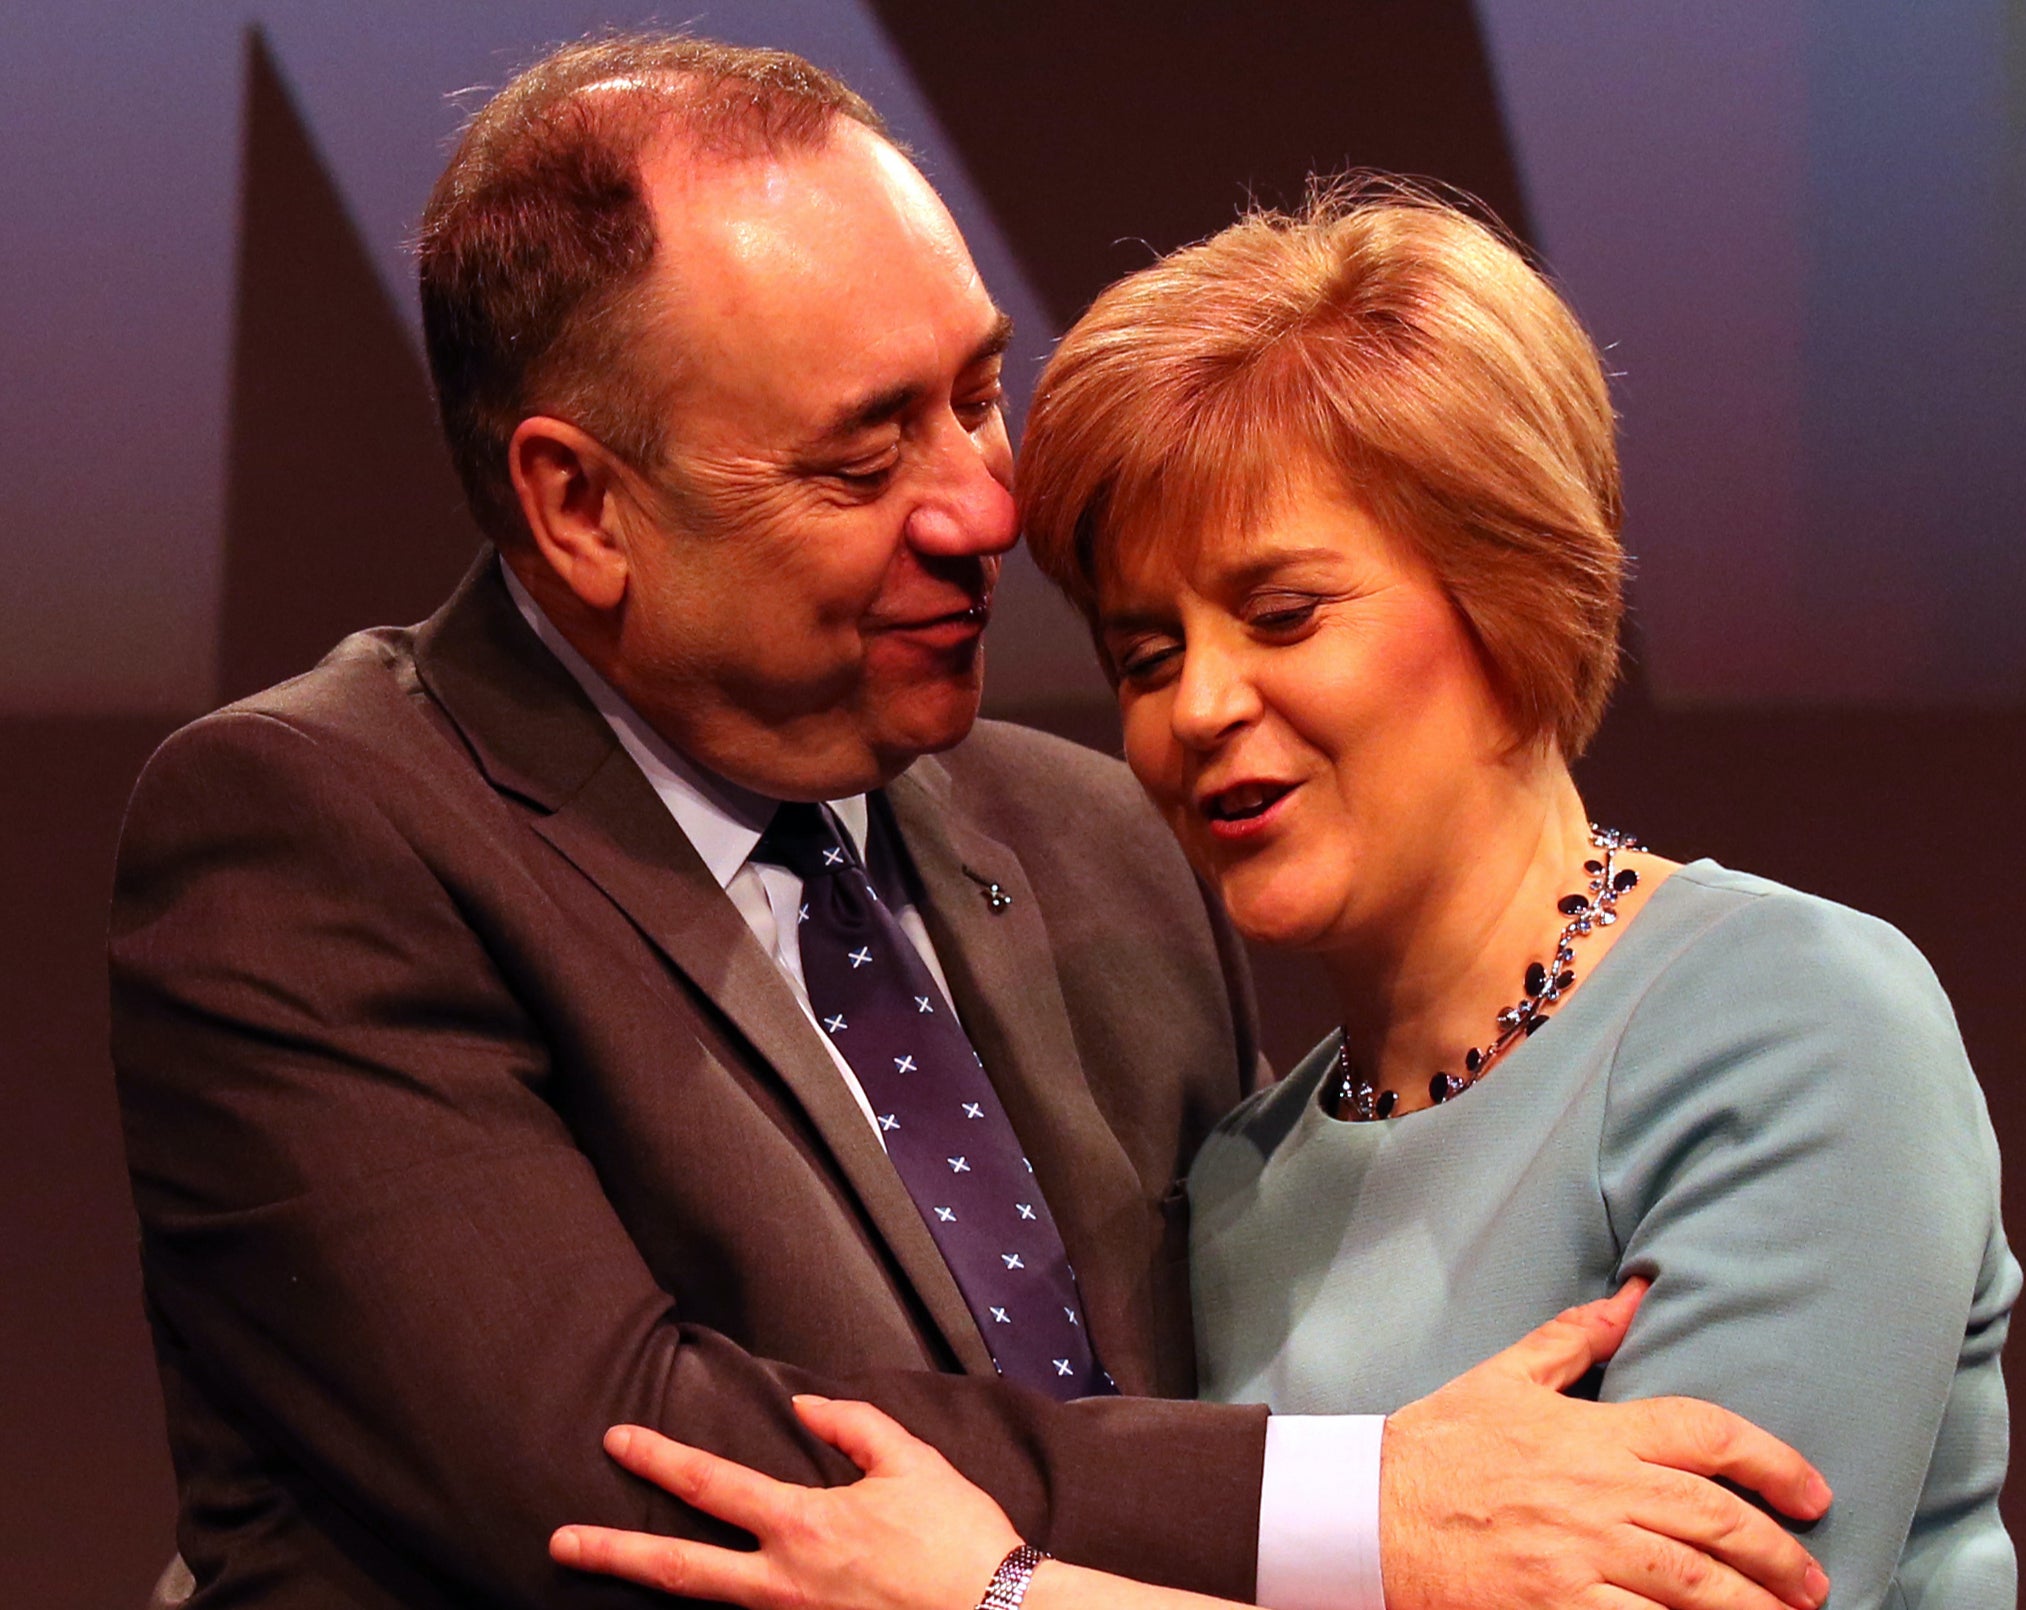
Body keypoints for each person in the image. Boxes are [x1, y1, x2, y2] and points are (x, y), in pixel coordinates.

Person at [112, 37, 1832, 1610]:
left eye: (977, 393)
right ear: (581, 505)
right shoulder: (316, 835)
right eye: (863, 463)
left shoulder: (1094, 843)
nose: (989, 508)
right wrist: (1356, 1506)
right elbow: (625, 1460)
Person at [547, 188, 2020, 1610]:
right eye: (1142, 652)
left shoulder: (1792, 1020)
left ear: (1506, 590)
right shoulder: (1238, 1174)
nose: (1196, 706)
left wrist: (995, 1594)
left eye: (1281, 613)